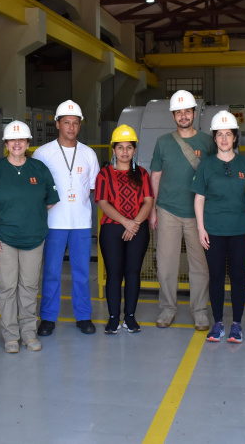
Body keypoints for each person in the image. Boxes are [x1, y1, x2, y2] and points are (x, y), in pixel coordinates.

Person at [0, 121, 59, 353]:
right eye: (12, 140)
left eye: (21, 140)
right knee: (7, 288)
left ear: (28, 143)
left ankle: (29, 333)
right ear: (6, 144)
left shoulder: (39, 169)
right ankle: (11, 336)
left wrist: (32, 217)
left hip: (34, 239)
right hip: (3, 239)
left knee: (30, 287)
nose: (17, 143)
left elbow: (51, 200)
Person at [148, 90, 216, 330]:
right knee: (166, 263)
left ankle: (199, 311)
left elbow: (215, 176)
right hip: (168, 211)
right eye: (179, 112)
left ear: (194, 114)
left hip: (199, 216)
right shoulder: (163, 142)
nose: (183, 116)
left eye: (187, 111)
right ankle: (167, 309)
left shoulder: (208, 142)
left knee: (200, 265)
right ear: (173, 116)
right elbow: (155, 178)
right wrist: (153, 210)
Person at [34, 100, 100, 336]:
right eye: (66, 123)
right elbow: (36, 188)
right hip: (54, 223)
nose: (71, 127)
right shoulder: (43, 153)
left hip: (81, 223)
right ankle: (48, 318)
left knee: (82, 272)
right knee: (51, 271)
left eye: (75, 123)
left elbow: (92, 188)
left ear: (80, 125)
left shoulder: (88, 154)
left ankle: (83, 316)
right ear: (57, 124)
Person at [191, 111, 245, 343]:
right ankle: (217, 323)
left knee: (238, 277)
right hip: (214, 231)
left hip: (240, 230)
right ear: (215, 138)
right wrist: (201, 228)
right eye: (220, 135)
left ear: (235, 137)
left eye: (229, 134)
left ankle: (236, 325)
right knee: (216, 276)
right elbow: (199, 199)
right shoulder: (206, 165)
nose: (225, 139)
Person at [95, 125, 154, 334]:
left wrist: (135, 223)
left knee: (132, 272)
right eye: (120, 147)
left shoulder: (143, 174)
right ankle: (113, 318)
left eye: (129, 147)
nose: (125, 152)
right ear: (113, 149)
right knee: (114, 273)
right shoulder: (104, 175)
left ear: (134, 150)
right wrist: (126, 222)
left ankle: (129, 317)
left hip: (138, 229)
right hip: (112, 230)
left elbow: (148, 201)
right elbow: (102, 203)